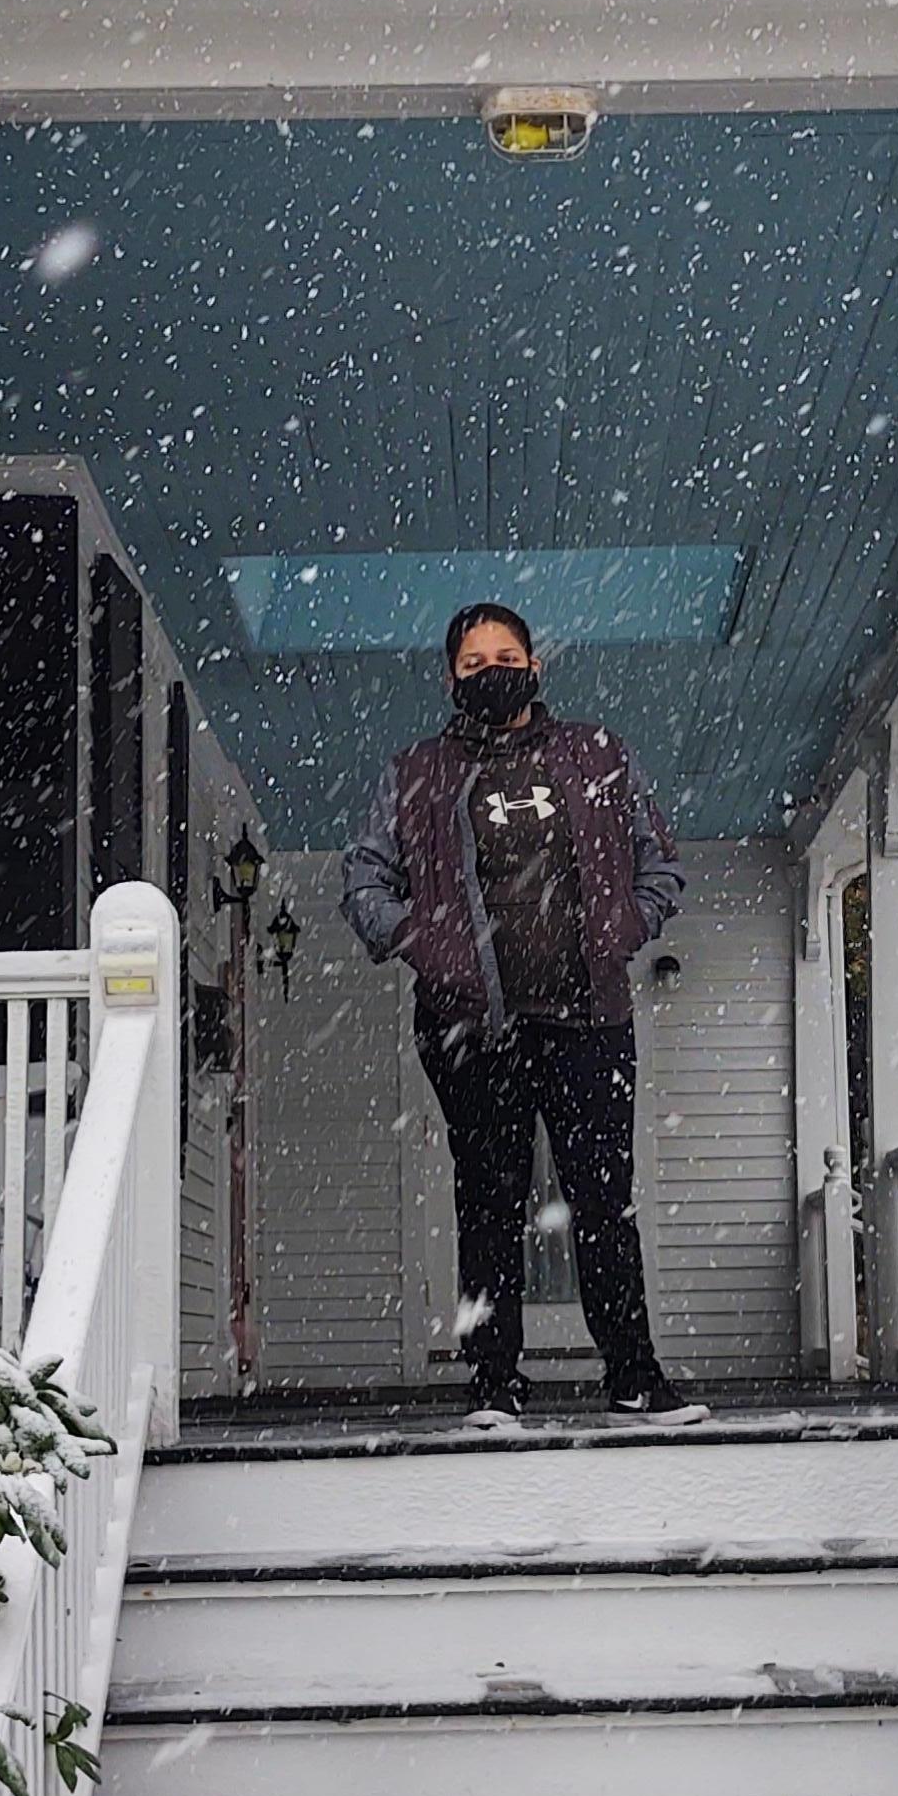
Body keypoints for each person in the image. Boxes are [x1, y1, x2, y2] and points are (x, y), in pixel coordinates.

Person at [342, 601, 694, 1423]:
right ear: (451, 678)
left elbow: (660, 863)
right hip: (471, 1024)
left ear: (535, 667)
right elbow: (363, 883)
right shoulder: (416, 772)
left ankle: (635, 1377)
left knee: (604, 1199)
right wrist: (427, 946)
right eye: (473, 662)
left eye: (506, 655)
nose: (491, 670)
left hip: (589, 1018)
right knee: (488, 1201)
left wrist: (624, 926)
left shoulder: (596, 753)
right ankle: (495, 1383)